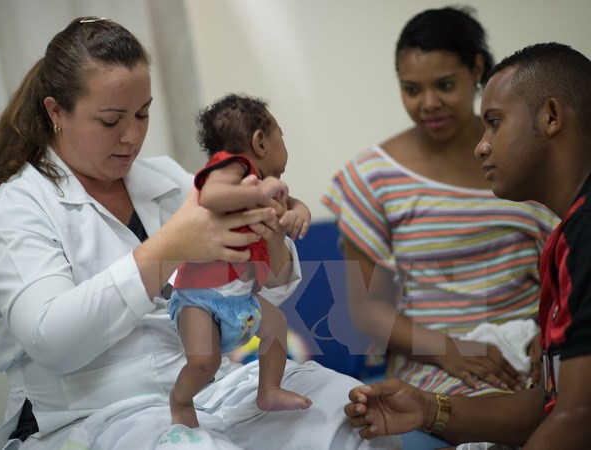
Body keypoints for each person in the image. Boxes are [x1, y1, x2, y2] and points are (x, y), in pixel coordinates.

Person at [0, 16, 401, 450]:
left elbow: (270, 291)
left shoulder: (166, 179)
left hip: (216, 386)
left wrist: (273, 238)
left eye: (143, 113)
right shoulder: (16, 208)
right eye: (111, 120)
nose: (132, 136)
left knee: (351, 417)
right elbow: (52, 341)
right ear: (56, 111)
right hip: (99, 413)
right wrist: (168, 249)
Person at [345, 42, 591, 449]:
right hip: (446, 365)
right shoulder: (372, 182)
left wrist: (540, 339)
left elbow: (577, 417)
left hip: (512, 361)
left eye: (494, 122)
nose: (481, 144)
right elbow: (554, 405)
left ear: (550, 117)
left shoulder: (573, 230)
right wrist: (431, 401)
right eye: (411, 89)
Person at [322, 6, 558, 396]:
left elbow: (569, 269)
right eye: (412, 89)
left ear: (477, 69)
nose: (428, 103)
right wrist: (449, 350)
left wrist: (549, 332)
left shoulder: (527, 159)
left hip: (538, 343)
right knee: (495, 413)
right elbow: (366, 312)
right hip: (434, 364)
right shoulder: (373, 176)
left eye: (445, 85)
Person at [169, 93, 312, 429]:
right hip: (199, 295)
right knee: (205, 361)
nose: (284, 142)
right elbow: (211, 196)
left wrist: (299, 214)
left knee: (275, 325)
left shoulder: (269, 187)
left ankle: (269, 389)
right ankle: (180, 401)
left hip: (240, 296)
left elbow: (295, 203)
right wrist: (258, 195)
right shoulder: (232, 168)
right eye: (281, 134)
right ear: (260, 142)